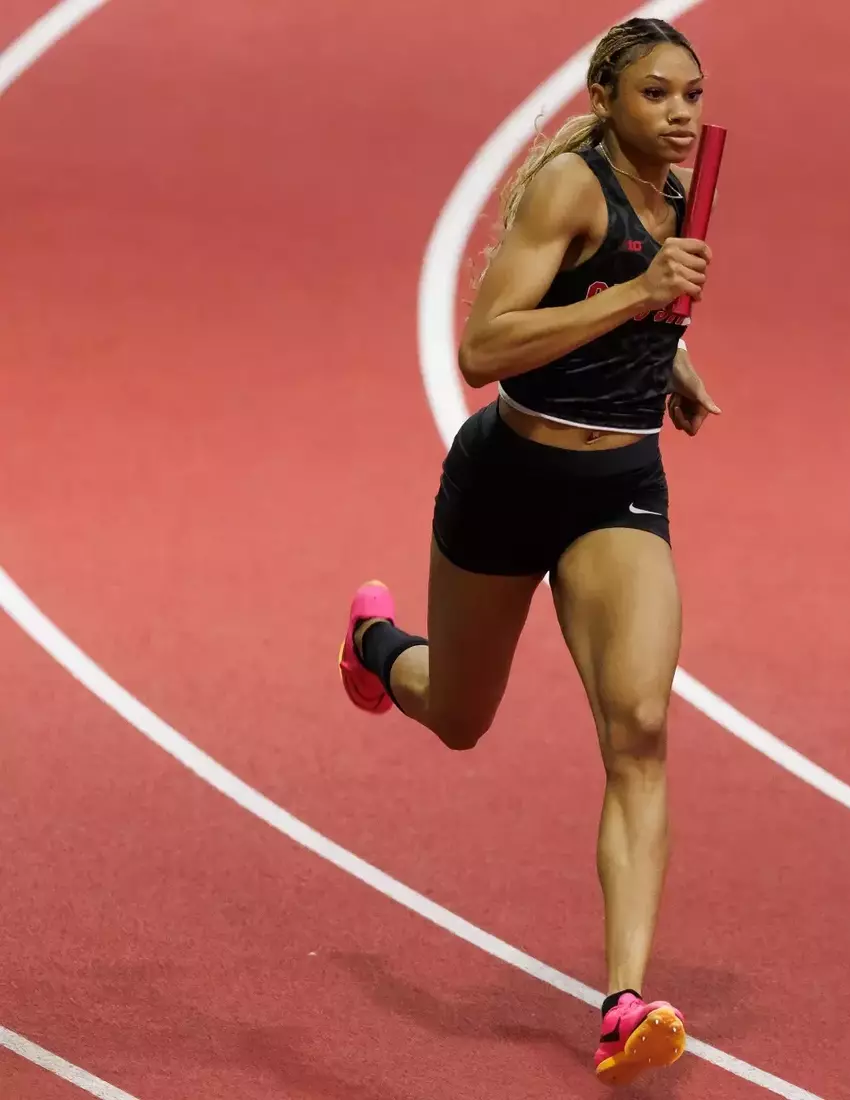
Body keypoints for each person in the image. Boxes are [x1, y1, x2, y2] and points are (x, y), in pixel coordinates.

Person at [334, 17, 721, 1087]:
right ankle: (373, 645)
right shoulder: (572, 192)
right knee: (459, 716)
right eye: (656, 95)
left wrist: (668, 353)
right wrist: (639, 298)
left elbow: (651, 307)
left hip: (618, 487)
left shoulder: (685, 188)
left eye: (691, 93)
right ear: (605, 97)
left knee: (640, 726)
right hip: (508, 477)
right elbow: (483, 345)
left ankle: (624, 998)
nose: (681, 113)